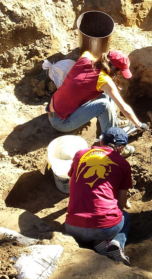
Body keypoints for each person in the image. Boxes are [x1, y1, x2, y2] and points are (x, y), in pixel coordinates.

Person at [65, 127, 133, 265]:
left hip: (72, 227)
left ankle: (96, 243)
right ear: (120, 148)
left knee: (80, 223)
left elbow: (72, 183)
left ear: (101, 141)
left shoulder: (81, 154)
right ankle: (115, 243)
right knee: (125, 216)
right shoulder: (123, 164)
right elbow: (121, 202)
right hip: (105, 228)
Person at [48, 50, 146, 142]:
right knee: (104, 105)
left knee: (105, 92)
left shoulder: (86, 57)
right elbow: (124, 108)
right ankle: (112, 143)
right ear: (114, 68)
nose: (120, 75)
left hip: (55, 108)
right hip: (61, 121)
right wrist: (139, 124)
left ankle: (114, 121)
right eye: (121, 72)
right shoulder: (104, 81)